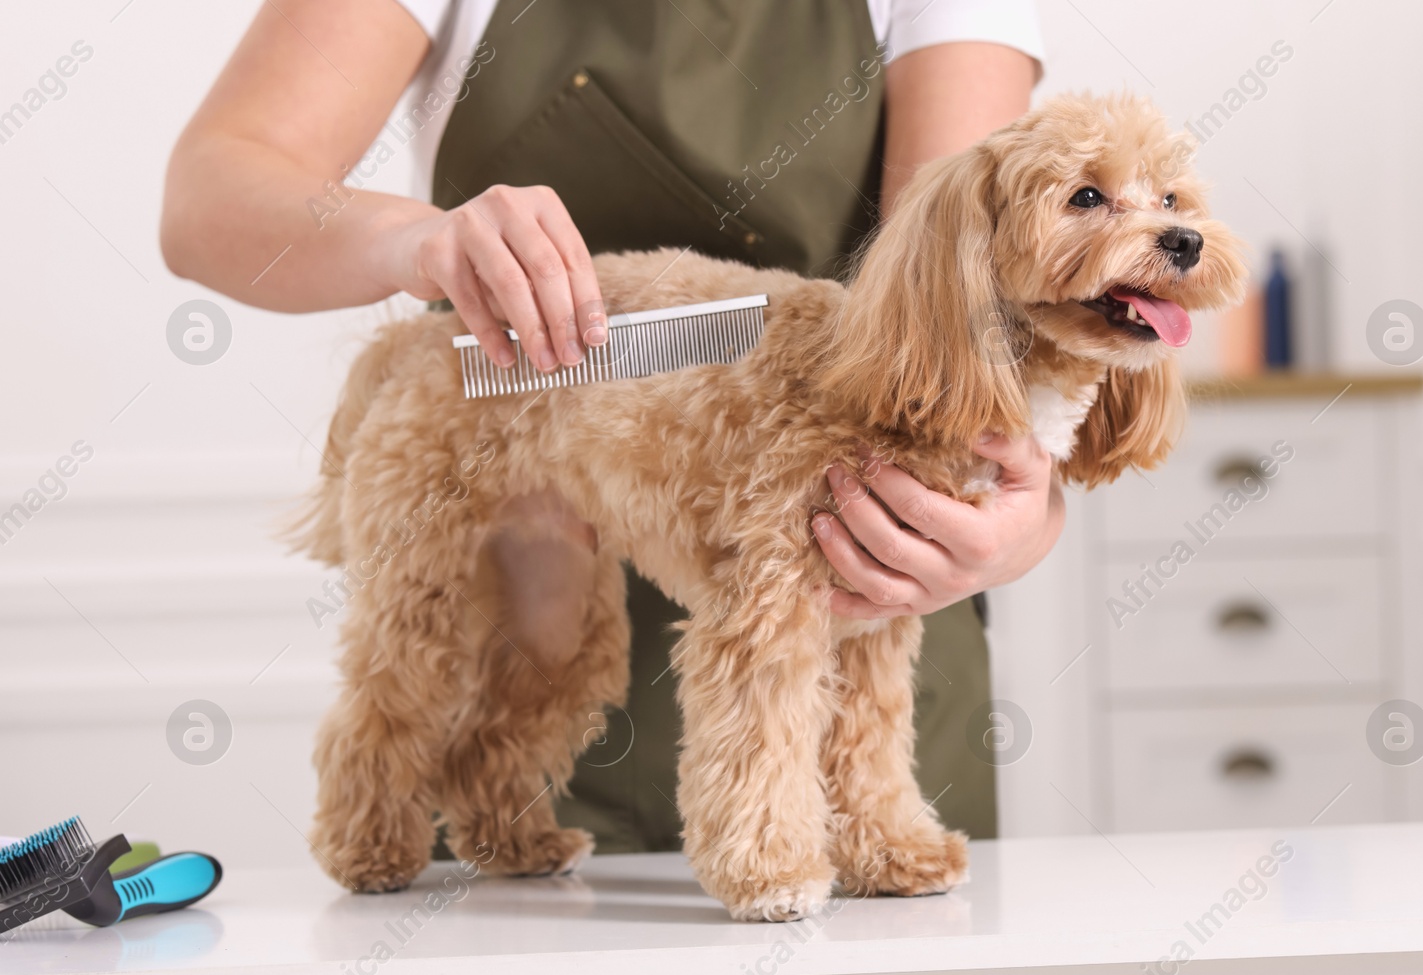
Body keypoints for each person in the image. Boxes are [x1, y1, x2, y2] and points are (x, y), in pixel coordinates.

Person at [161, 0, 1062, 853]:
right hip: (521, 615)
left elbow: (958, 283)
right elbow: (208, 197)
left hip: (861, 604)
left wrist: (1025, 518)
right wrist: (411, 241)